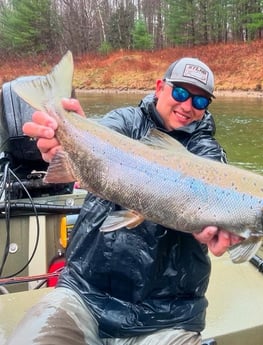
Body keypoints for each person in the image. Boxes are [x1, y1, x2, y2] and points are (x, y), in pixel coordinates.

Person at [7, 58, 241, 345]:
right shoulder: (125, 121)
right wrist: (63, 140)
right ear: (159, 88)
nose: (188, 105)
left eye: (201, 100)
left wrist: (215, 225)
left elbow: (217, 187)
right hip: (83, 294)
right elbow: (99, 134)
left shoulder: (207, 154)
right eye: (180, 93)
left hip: (167, 318)